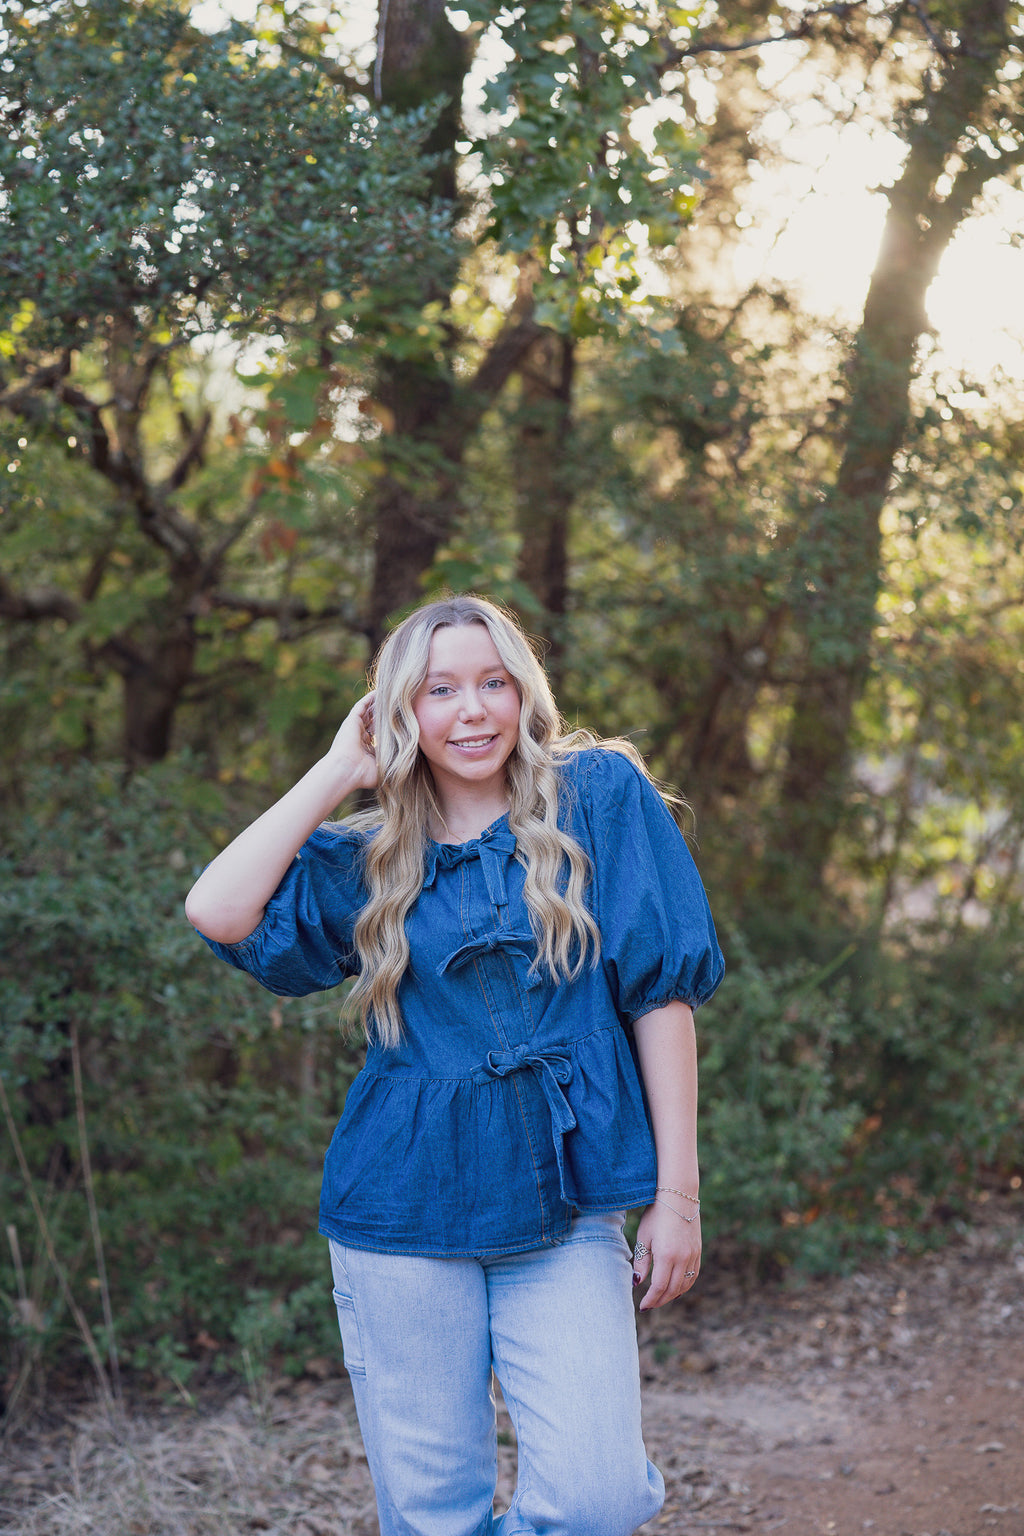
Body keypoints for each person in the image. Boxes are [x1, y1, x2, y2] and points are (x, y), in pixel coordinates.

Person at [185, 594, 724, 1536]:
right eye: (439, 690)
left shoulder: (597, 797)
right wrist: (338, 767)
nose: (471, 710)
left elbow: (661, 995)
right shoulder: (368, 857)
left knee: (596, 1497)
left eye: (492, 683)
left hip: (564, 1208)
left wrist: (677, 1196)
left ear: (525, 693)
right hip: (399, 1212)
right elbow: (217, 912)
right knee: (433, 1514)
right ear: (403, 714)